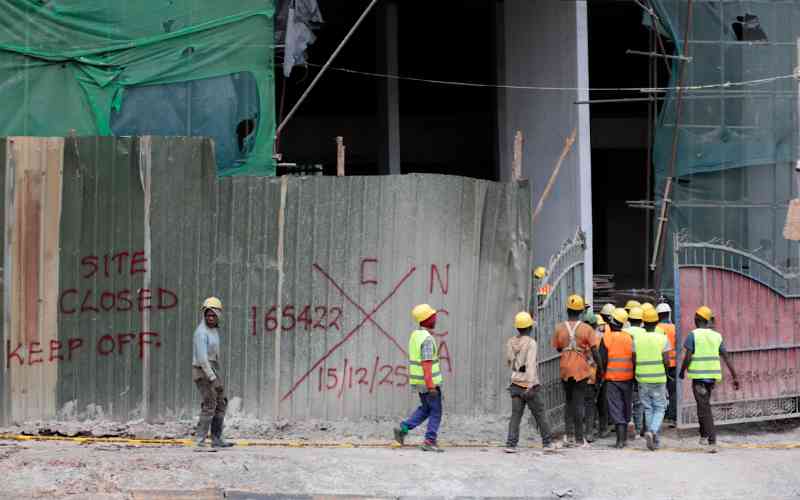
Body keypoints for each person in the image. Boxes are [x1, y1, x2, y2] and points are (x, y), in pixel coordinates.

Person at [679, 306, 740, 453]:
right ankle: (703, 435)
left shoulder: (693, 335)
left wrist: (682, 371)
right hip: (711, 379)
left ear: (696, 320)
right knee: (702, 406)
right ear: (708, 320)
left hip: (699, 378)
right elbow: (726, 357)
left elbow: (688, 357)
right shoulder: (717, 336)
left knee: (704, 408)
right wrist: (735, 376)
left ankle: (712, 441)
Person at [394, 304, 445, 452]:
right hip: (428, 383)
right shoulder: (427, 339)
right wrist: (431, 386)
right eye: (433, 316)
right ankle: (430, 441)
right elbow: (426, 364)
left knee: (426, 409)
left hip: (419, 382)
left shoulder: (416, 335)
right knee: (436, 411)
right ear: (427, 319)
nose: (435, 318)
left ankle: (403, 428)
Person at [550, 294, 598, 448]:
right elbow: (594, 350)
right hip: (580, 370)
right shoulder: (587, 329)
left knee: (568, 402)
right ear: (581, 311)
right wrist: (600, 367)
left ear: (567, 309)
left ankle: (568, 436)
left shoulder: (559, 328)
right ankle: (579, 439)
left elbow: (558, 348)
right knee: (579, 403)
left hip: (565, 368)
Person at [504, 311, 555, 453]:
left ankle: (511, 444)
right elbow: (531, 364)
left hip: (515, 383)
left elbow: (509, 362)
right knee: (540, 414)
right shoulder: (531, 343)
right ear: (529, 327)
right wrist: (531, 385)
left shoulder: (510, 342)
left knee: (515, 416)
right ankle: (547, 443)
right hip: (529, 384)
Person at [193, 297, 233, 448]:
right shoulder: (201, 333)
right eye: (208, 315)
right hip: (202, 371)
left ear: (218, 315)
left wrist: (216, 374)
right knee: (210, 403)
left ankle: (216, 439)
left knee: (221, 402)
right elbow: (202, 360)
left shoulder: (213, 330)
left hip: (213, 369)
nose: (210, 318)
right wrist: (213, 378)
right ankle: (200, 441)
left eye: (213, 315)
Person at [598, 308, 634, 448]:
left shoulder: (606, 338)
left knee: (616, 407)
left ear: (612, 321)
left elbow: (602, 360)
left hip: (612, 379)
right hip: (628, 378)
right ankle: (623, 439)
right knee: (626, 406)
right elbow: (634, 358)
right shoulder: (629, 337)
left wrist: (600, 376)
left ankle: (619, 441)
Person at [636, 308, 671, 451]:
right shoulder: (663, 338)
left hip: (642, 378)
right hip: (658, 377)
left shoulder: (637, 339)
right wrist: (666, 374)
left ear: (643, 322)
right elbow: (667, 361)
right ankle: (653, 431)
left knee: (648, 407)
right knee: (660, 407)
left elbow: (633, 359)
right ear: (657, 322)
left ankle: (653, 438)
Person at [625, 307, 647, 439]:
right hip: (641, 369)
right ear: (641, 320)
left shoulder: (624, 331)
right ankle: (638, 429)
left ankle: (630, 421)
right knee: (639, 400)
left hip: (626, 369)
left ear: (629, 319)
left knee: (627, 399)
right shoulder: (645, 332)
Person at [656, 303, 678, 423]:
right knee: (673, 391)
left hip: (659, 365)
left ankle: (660, 414)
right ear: (669, 314)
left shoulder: (656, 329)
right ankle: (672, 416)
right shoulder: (675, 328)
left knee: (659, 391)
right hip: (673, 364)